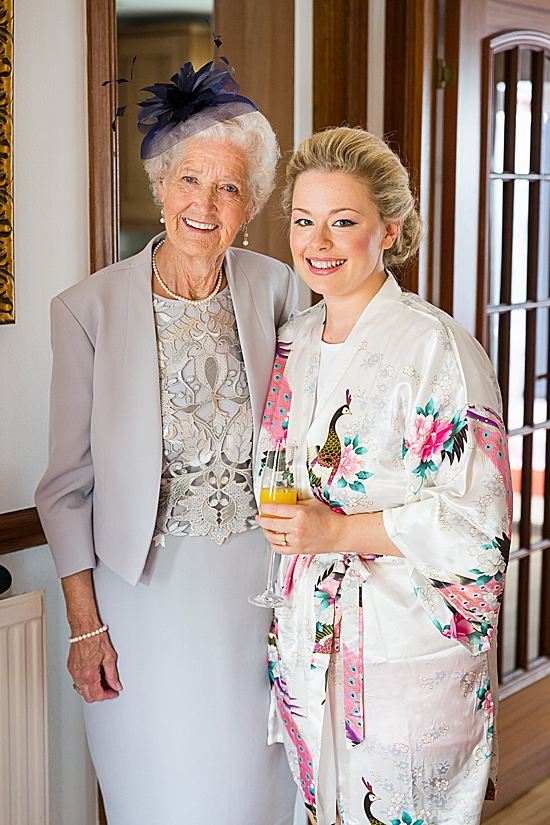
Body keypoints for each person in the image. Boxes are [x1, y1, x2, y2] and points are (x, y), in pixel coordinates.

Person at [35, 60, 297, 825]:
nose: (205, 204)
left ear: (250, 206)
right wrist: (87, 627)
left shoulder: (278, 288)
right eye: (191, 179)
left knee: (256, 796)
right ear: (160, 184)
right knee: (160, 797)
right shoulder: (86, 309)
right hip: (138, 600)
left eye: (228, 188)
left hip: (259, 597)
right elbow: (63, 488)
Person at [256, 127, 512, 825]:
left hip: (404, 656)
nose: (319, 241)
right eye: (305, 221)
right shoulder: (291, 343)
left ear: (389, 230)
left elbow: (476, 526)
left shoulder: (437, 347)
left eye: (344, 221)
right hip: (310, 650)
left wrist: (337, 529)